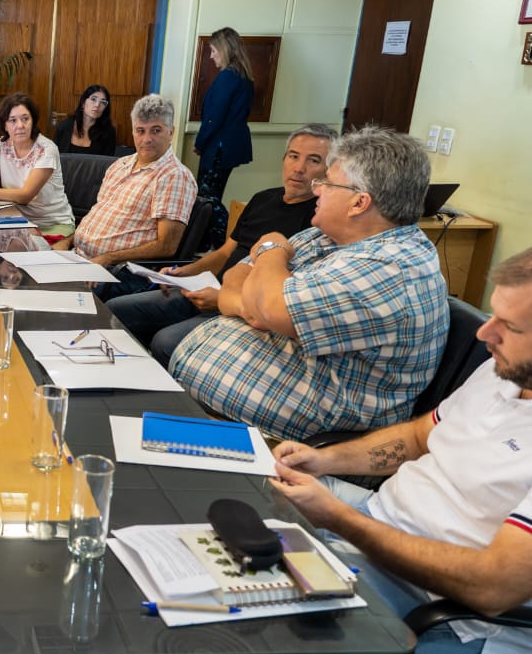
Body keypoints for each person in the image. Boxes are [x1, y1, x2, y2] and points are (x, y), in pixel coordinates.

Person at [269, 250, 532, 654]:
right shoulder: (504, 372)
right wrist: (323, 459)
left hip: (447, 614)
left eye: (511, 327)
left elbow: (492, 586)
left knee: (253, 619)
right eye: (493, 314)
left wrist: (340, 520)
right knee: (248, 495)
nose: (486, 333)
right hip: (381, 525)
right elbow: (418, 437)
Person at [170, 126, 449, 442]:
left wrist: (272, 248)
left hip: (272, 444)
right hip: (217, 410)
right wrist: (256, 298)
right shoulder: (329, 235)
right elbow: (237, 274)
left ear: (359, 203)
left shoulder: (389, 268)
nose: (316, 189)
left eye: (327, 183)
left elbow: (271, 305)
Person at [105, 124, 333, 366]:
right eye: (293, 156)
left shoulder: (319, 219)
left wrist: (222, 297)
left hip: (242, 310)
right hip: (206, 289)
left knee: (165, 342)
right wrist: (183, 273)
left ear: (330, 170)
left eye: (314, 161)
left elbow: (284, 291)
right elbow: (225, 252)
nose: (299, 168)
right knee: (115, 309)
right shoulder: (263, 198)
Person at [50, 94, 197, 296]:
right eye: (140, 131)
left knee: (48, 296)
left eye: (156, 131)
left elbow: (166, 246)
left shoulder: (174, 176)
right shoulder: (120, 165)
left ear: (171, 132)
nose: (147, 139)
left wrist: (108, 258)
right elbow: (100, 218)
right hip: (79, 257)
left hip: (120, 271)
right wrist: (67, 241)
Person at [0, 92, 76, 241]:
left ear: (33, 121)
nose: (20, 125)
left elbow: (25, 196)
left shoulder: (46, 149)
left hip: (51, 224)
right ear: (5, 126)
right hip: (15, 218)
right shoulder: (1, 146)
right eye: (13, 120)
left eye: (25, 119)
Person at [194, 27, 254, 202]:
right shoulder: (243, 76)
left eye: (213, 51)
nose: (211, 56)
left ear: (225, 50)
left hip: (218, 148)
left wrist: (200, 143)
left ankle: (209, 230)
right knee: (213, 197)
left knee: (205, 200)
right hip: (230, 147)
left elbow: (214, 118)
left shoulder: (227, 77)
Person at [53, 85, 116, 157]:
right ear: (83, 103)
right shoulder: (64, 127)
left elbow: (107, 164)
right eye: (93, 99)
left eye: (103, 102)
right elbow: (54, 158)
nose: (97, 105)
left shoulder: (108, 132)